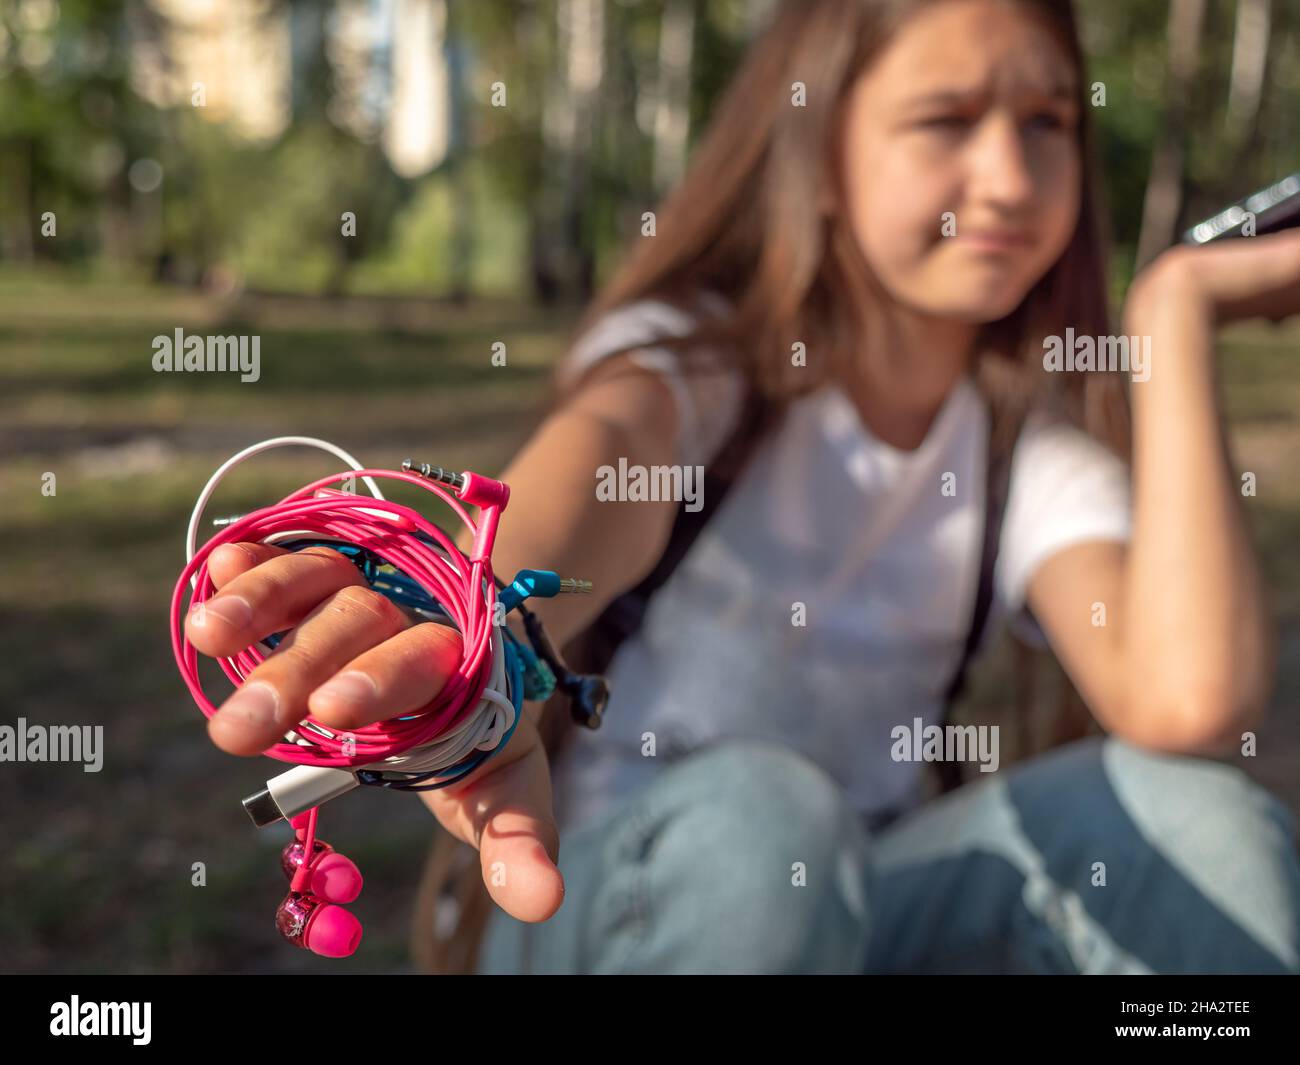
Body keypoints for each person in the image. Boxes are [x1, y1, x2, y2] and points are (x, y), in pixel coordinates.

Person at [184, 0, 1300, 974]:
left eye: (1049, 120)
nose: (1010, 176)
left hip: (860, 902)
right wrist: (447, 611)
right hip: (599, 906)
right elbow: (577, 483)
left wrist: (1174, 315)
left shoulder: (1021, 452)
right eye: (946, 119)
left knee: (1195, 812)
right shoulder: (697, 373)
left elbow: (1186, 702)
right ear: (817, 157)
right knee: (763, 819)